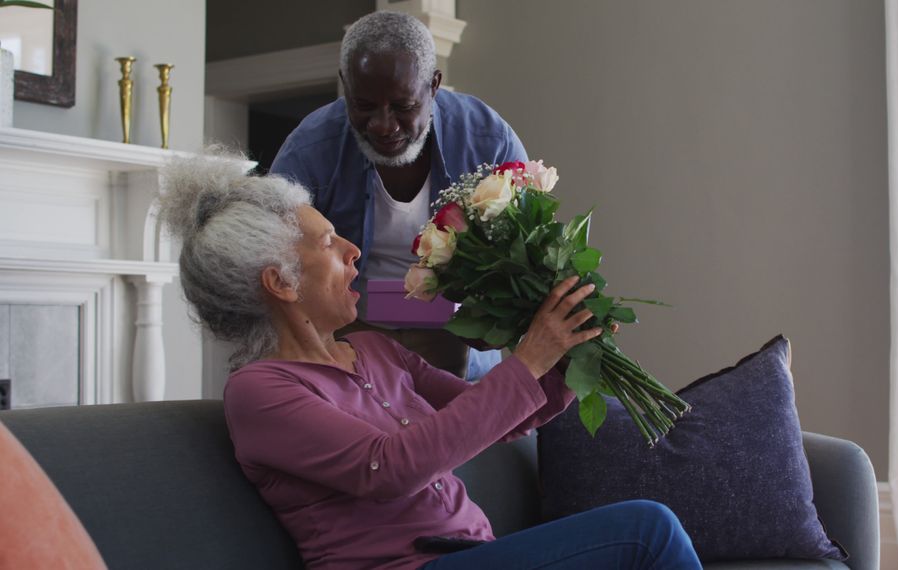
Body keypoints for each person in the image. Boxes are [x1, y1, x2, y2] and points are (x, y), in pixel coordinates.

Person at [157, 151, 701, 570]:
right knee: (648, 531)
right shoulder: (260, 393)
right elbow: (390, 468)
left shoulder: (372, 349)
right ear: (280, 282)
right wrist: (530, 354)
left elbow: (493, 417)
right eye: (327, 242)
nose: (352, 250)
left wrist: (565, 351)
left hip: (471, 555)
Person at [270, 11, 523, 381]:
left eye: (403, 107)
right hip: (349, 328)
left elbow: (522, 252)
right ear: (345, 84)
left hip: (458, 331)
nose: (383, 125)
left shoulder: (489, 141)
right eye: (364, 106)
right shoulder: (309, 149)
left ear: (434, 86)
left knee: (464, 424)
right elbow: (275, 259)